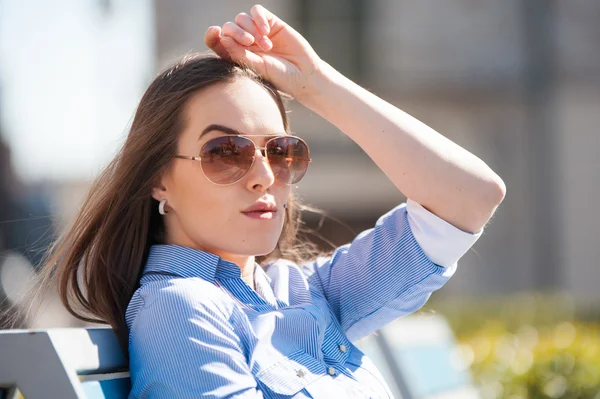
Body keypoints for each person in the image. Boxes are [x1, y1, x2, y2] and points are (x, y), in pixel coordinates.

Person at [17, 4, 505, 398]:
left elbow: (473, 197)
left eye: (281, 150)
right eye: (225, 152)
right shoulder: (181, 310)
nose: (264, 175)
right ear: (157, 180)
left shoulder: (305, 292)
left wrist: (317, 84)